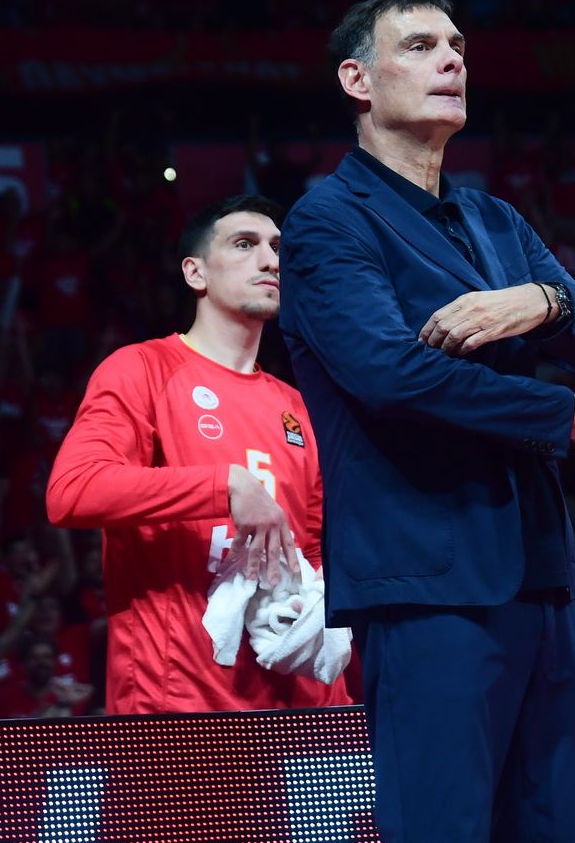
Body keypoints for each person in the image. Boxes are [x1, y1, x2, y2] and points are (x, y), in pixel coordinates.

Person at [280, 0, 575, 842]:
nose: (452, 60)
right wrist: (560, 411)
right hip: (426, 584)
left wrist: (546, 302)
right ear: (357, 80)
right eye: (420, 46)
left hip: (541, 576)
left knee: (564, 829)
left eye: (457, 45)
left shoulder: (496, 220)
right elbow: (391, 375)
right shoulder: (326, 222)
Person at [47, 194, 350, 713]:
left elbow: (310, 556)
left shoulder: (296, 408)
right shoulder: (142, 369)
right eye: (245, 244)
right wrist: (224, 485)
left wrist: (333, 697)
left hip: (290, 709)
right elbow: (73, 491)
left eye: (278, 248)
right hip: (178, 707)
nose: (270, 261)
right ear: (196, 273)